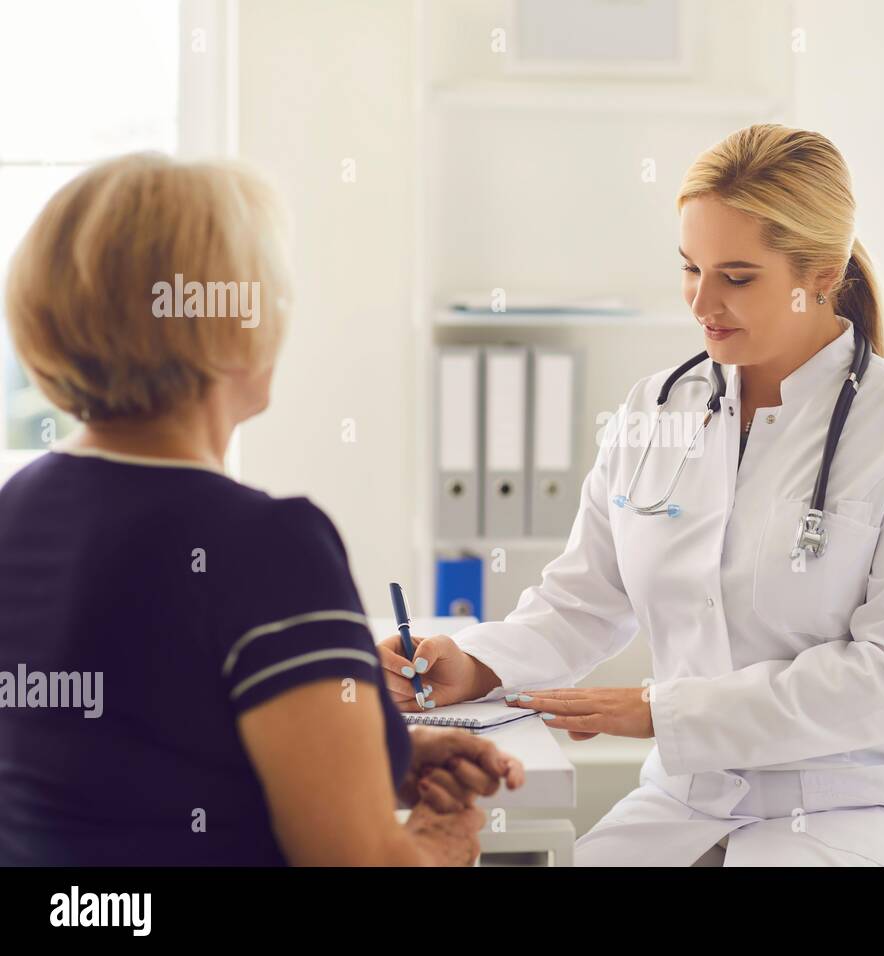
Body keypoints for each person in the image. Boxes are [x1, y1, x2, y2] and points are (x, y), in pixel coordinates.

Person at [380, 124, 884, 866]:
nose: (702, 302)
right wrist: (473, 666)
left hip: (862, 806)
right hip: (686, 803)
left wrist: (663, 709)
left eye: (737, 276)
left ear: (821, 273)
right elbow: (581, 602)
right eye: (690, 268)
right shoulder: (654, 412)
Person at [0, 153, 521, 865]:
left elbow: (119, 762)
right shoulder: (268, 545)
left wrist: (381, 751)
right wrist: (433, 846)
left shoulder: (17, 512)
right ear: (229, 325)